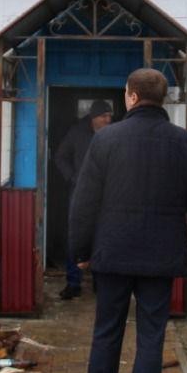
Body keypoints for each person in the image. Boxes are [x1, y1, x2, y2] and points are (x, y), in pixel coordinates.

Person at [69, 68, 187, 373]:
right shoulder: (186, 143)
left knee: (106, 334)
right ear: (161, 98)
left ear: (131, 96)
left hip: (112, 254)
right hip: (161, 258)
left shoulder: (106, 140)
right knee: (151, 339)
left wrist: (81, 252)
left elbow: (84, 202)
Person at [54, 99, 114, 299]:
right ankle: (73, 282)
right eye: (104, 116)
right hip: (80, 192)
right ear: (93, 117)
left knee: (103, 235)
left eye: (109, 116)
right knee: (76, 235)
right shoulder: (77, 132)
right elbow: (60, 156)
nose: (108, 119)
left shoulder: (114, 134)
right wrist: (73, 177)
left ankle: (101, 282)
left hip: (106, 194)